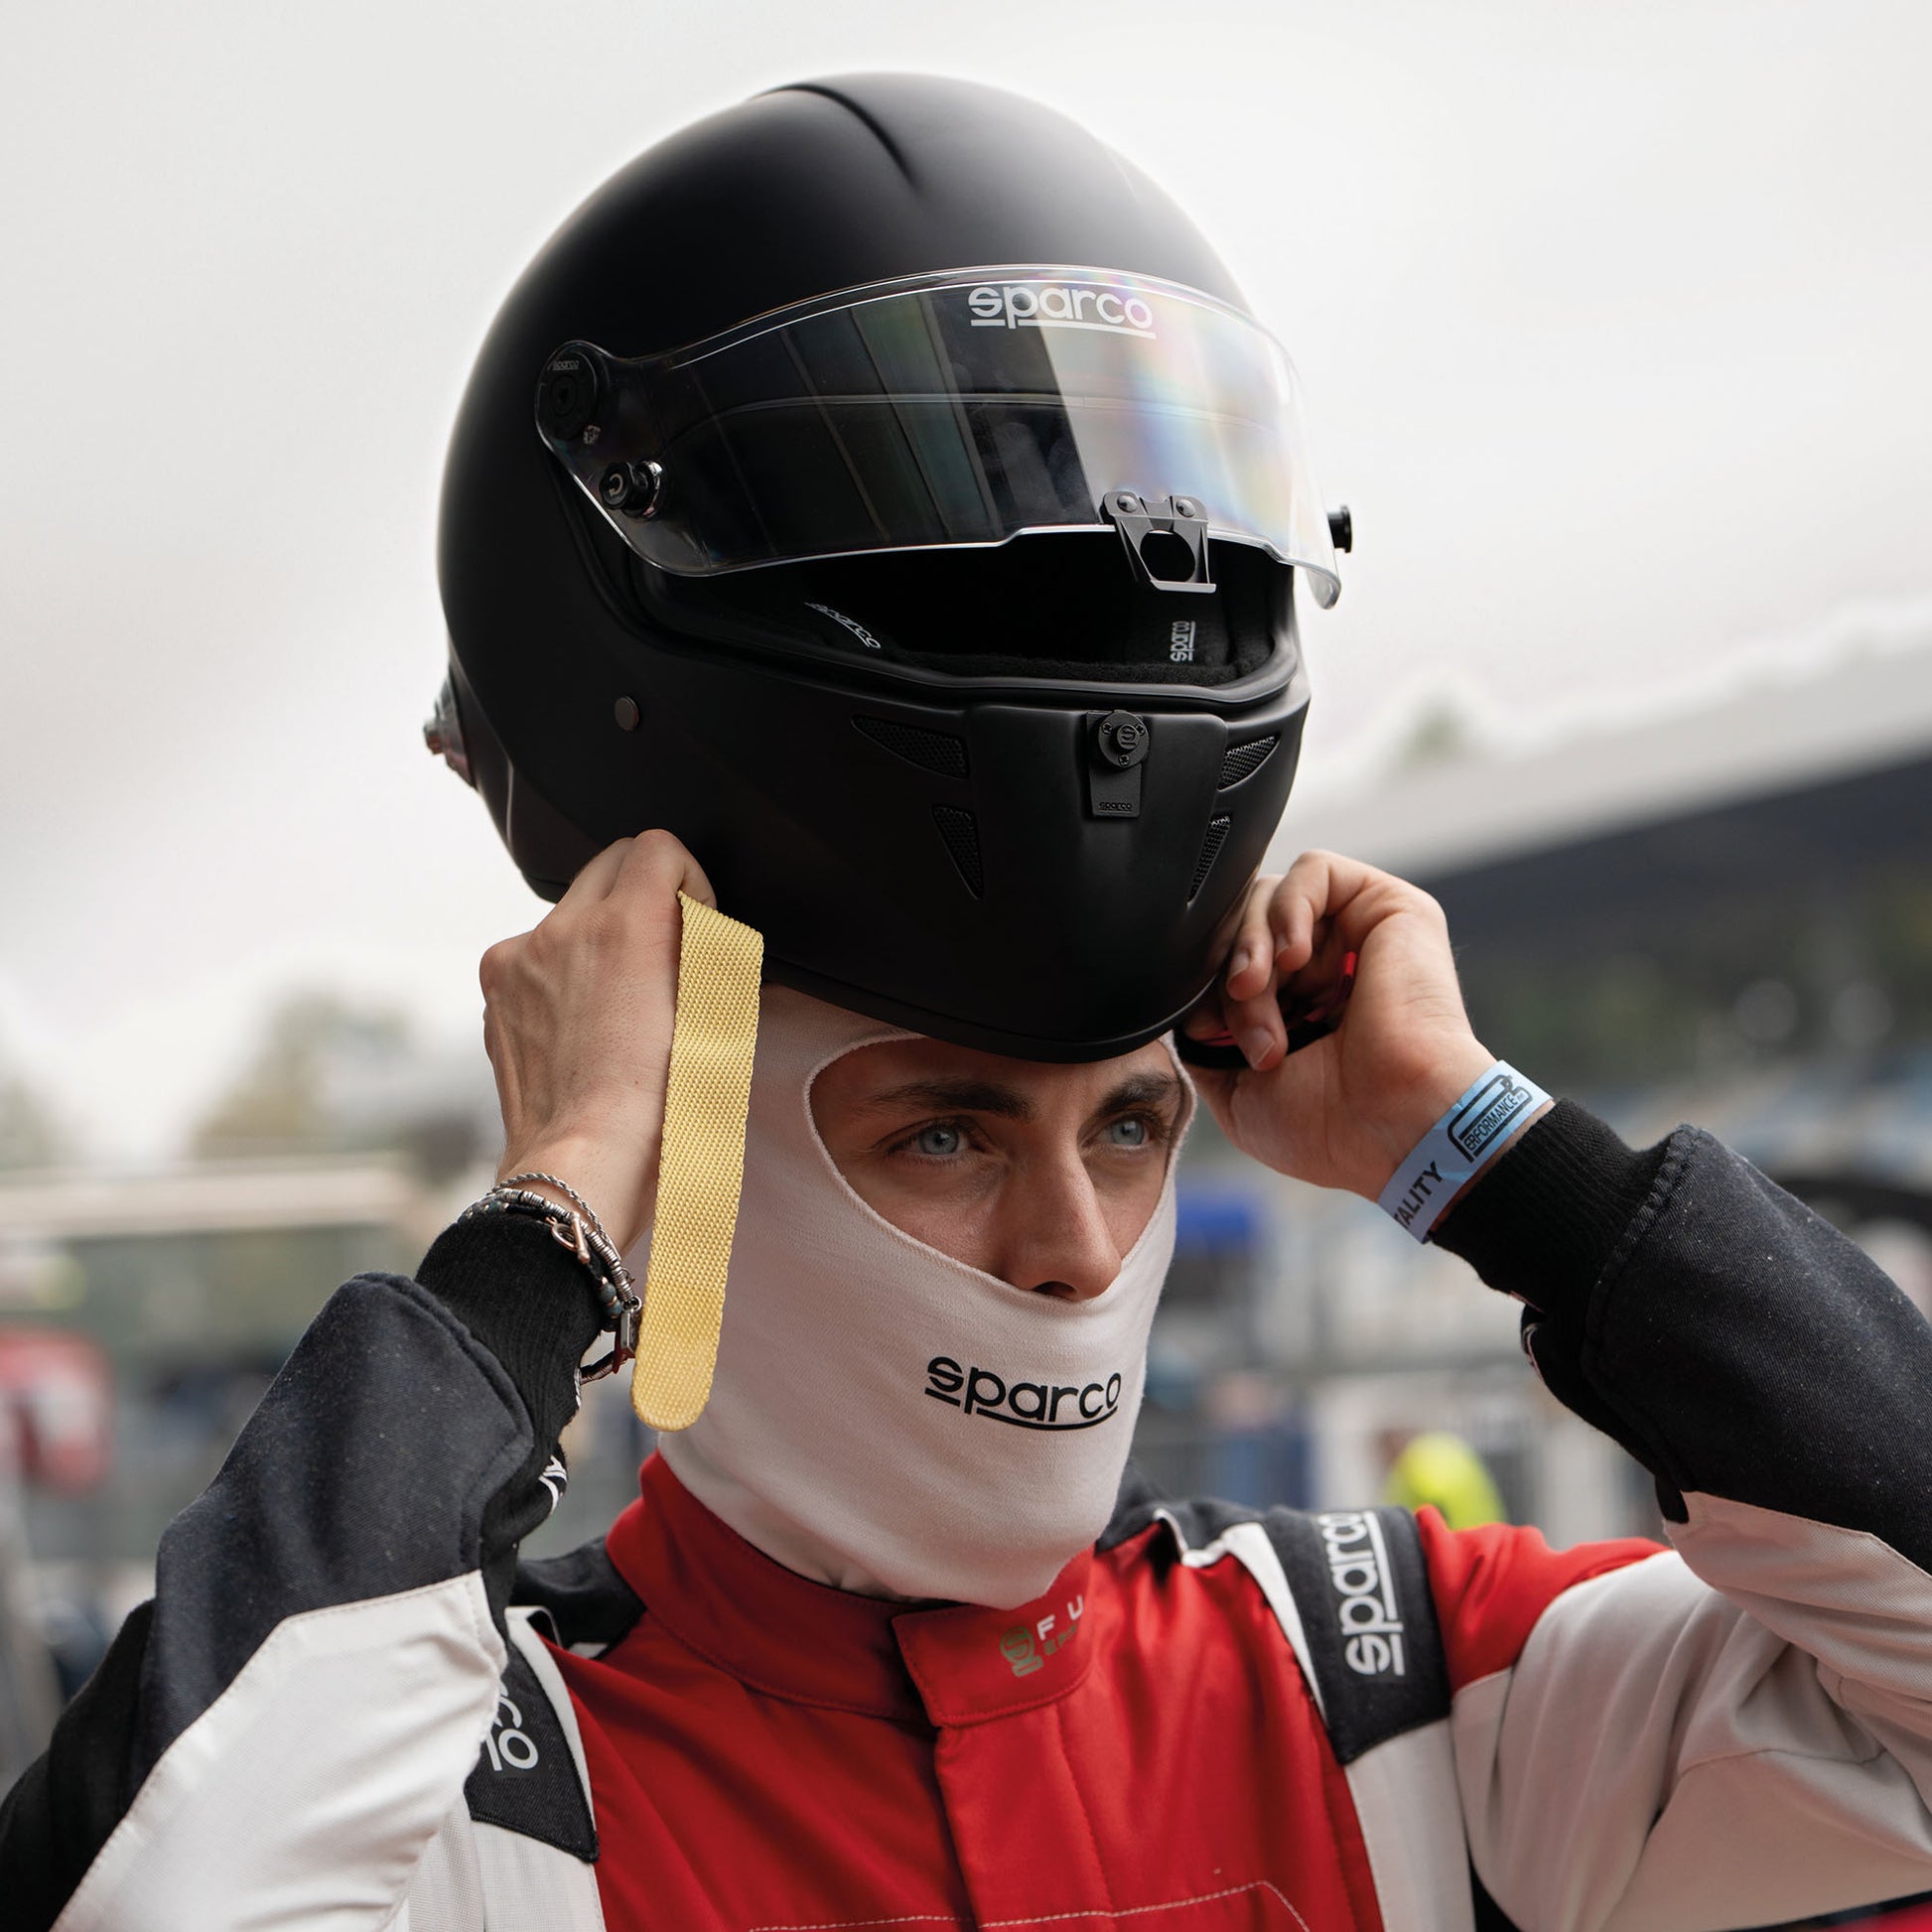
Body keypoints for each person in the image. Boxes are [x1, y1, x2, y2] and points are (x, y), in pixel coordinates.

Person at [9, 73, 1932, 1932]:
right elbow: (153, 1891)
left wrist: (1488, 1152)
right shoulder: (455, 1799)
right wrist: (546, 1224)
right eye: (942, 1130)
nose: (1073, 1245)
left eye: (1132, 1121)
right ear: (692, 1146)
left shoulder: (1405, 1695)